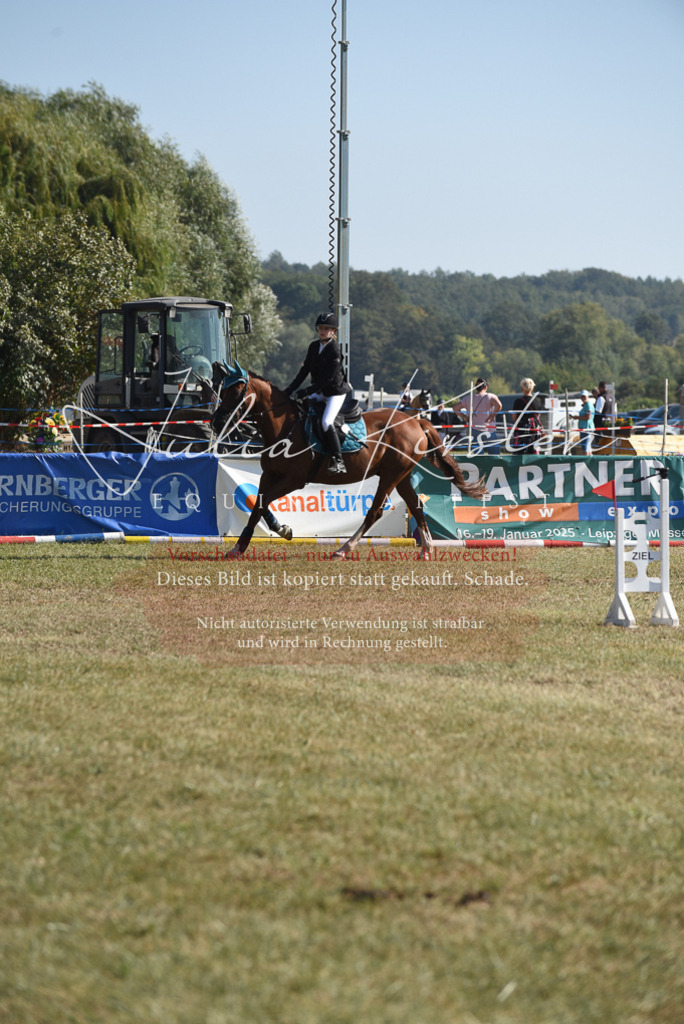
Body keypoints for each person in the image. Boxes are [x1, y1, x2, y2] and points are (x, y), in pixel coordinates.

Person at [285, 312, 351, 474]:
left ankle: (338, 460)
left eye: (327, 329)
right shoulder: (314, 346)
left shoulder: (335, 349)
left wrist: (306, 391)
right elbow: (304, 370)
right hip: (320, 391)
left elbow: (327, 379)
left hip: (335, 392)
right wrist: (289, 390)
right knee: (301, 412)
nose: (323, 331)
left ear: (333, 331)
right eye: (321, 328)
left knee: (326, 422)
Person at [454, 377, 502, 452]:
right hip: (488, 429)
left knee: (478, 455)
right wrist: (491, 416)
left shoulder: (468, 398)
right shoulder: (490, 396)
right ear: (486, 387)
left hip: (474, 430)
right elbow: (499, 405)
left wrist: (465, 417)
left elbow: (455, 408)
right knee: (494, 455)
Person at [511, 378, 544, 453]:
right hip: (535, 429)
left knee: (520, 450)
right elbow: (538, 416)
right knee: (533, 450)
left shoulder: (518, 401)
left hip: (522, 429)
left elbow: (514, 417)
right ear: (532, 388)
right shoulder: (538, 401)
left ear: (522, 388)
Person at [576, 389, 595, 454]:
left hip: (587, 429)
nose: (583, 398)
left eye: (584, 396)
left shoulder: (588, 405)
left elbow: (588, 417)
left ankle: (585, 461)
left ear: (588, 396)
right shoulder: (586, 405)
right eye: (582, 396)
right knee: (587, 447)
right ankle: (589, 462)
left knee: (585, 448)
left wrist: (577, 417)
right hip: (584, 428)